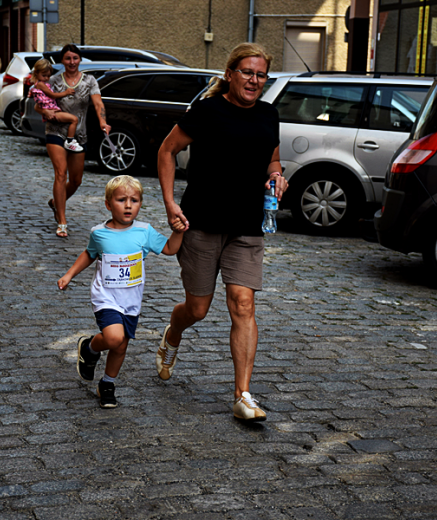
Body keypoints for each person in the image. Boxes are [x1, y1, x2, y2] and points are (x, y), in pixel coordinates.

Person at [155, 42, 288, 423]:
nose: (254, 80)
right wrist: (170, 203)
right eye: (247, 72)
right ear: (230, 74)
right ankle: (172, 334)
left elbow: (272, 159)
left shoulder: (268, 114)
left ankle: (242, 395)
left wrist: (277, 177)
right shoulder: (207, 111)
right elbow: (167, 151)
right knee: (197, 308)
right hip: (202, 223)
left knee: (243, 305)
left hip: (248, 226)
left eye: (261, 74)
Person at [58, 175, 187, 408]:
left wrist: (178, 231)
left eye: (134, 200)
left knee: (120, 345)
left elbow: (169, 248)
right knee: (114, 337)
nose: (128, 205)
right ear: (108, 204)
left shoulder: (144, 232)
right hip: (105, 296)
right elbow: (89, 254)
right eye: (121, 200)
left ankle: (107, 384)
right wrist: (69, 275)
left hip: (130, 300)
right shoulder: (99, 233)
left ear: (140, 204)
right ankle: (90, 347)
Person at [45, 44, 110, 238]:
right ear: (62, 61)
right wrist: (45, 111)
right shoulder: (54, 81)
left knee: (75, 180)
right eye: (67, 58)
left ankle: (56, 201)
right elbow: (39, 101)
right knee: (60, 173)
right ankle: (62, 220)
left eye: (75, 58)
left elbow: (98, 103)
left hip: (79, 134)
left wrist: (103, 121)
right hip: (56, 130)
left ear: (79, 59)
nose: (71, 62)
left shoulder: (89, 81)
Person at [28, 59, 83, 152]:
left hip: (52, 110)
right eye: (44, 75)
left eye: (48, 76)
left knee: (72, 120)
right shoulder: (41, 84)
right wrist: (66, 93)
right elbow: (52, 95)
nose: (46, 78)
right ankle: (70, 141)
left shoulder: (42, 84)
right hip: (52, 111)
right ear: (36, 73)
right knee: (74, 119)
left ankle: (69, 140)